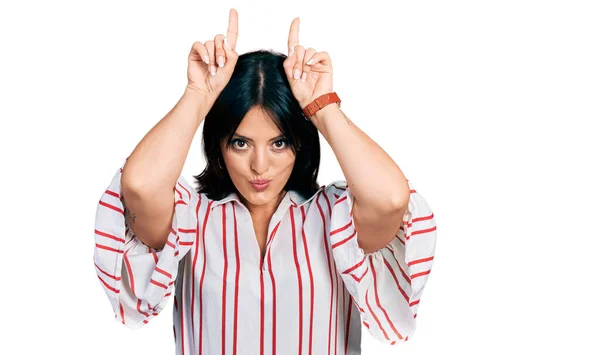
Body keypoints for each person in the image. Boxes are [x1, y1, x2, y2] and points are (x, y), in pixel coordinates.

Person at [94, 8, 437, 355]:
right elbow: (139, 185)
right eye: (241, 143)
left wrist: (322, 108)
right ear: (220, 144)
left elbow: (392, 199)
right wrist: (199, 94)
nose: (260, 166)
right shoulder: (191, 218)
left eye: (279, 143)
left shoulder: (336, 219)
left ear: (299, 143)